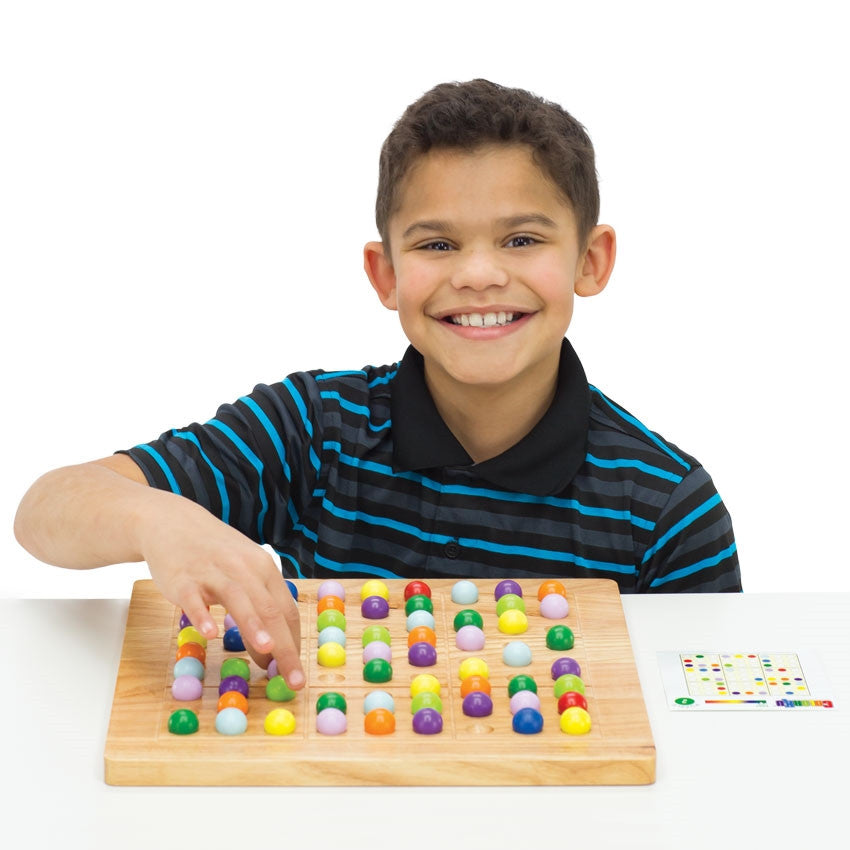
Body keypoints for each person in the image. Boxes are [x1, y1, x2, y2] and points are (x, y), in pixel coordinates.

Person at [14, 79, 741, 692]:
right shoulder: (314, 427)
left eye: (522, 239)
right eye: (436, 244)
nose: (478, 274)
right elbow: (42, 510)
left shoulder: (667, 508)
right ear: (385, 275)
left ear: (591, 259)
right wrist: (159, 521)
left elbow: (707, 719)